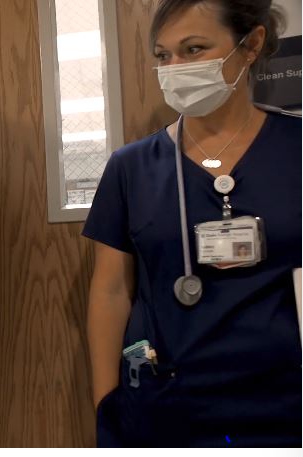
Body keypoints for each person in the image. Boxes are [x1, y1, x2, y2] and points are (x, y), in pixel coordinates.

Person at [84, 0, 301, 447]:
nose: (175, 68)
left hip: (284, 405)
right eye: (163, 56)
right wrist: (106, 404)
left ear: (251, 45)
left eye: (194, 48)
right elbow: (109, 292)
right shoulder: (132, 167)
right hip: (167, 404)